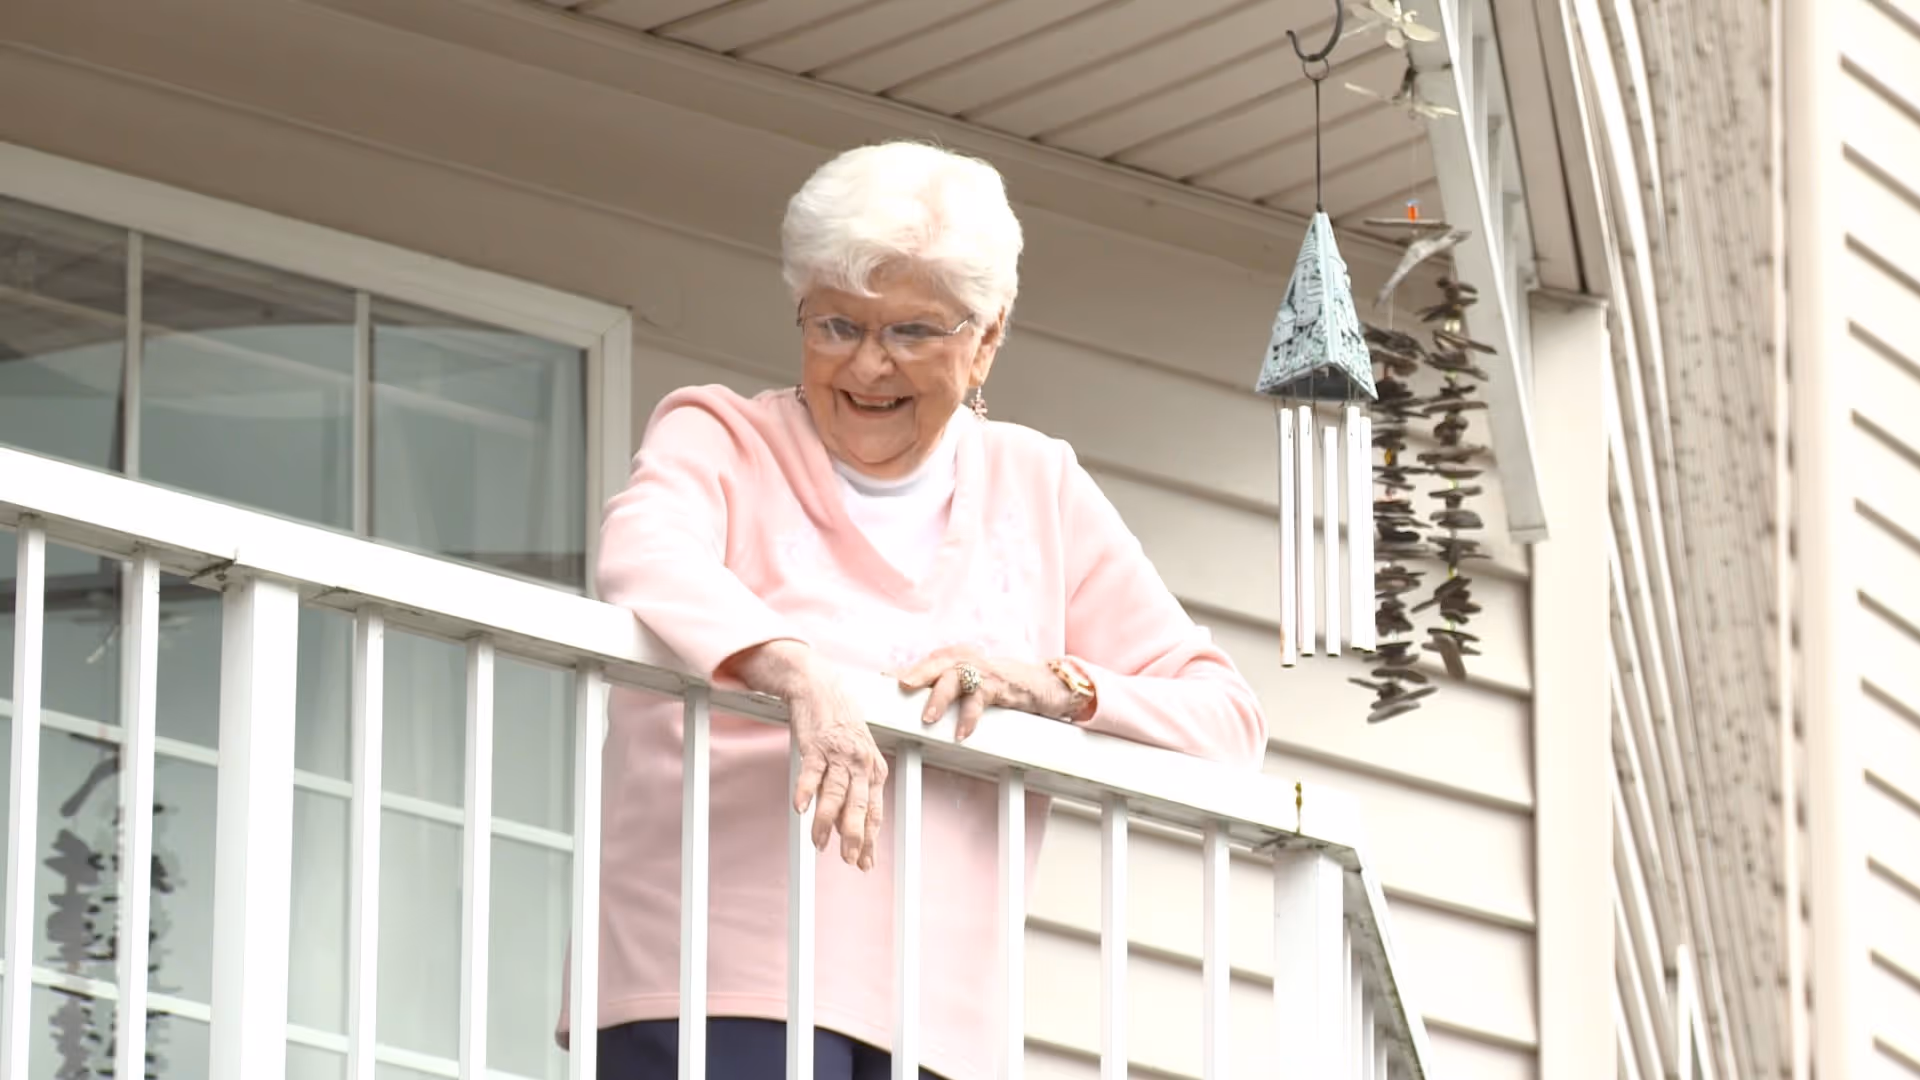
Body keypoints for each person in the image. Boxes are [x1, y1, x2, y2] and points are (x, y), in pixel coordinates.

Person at [571, 140, 1268, 1079]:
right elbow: (646, 554)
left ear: (986, 337)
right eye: (835, 326)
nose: (867, 366)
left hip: (940, 1023)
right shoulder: (721, 437)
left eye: (911, 333)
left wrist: (1051, 685)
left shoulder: (1039, 485)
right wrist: (799, 673)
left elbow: (1225, 722)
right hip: (716, 979)